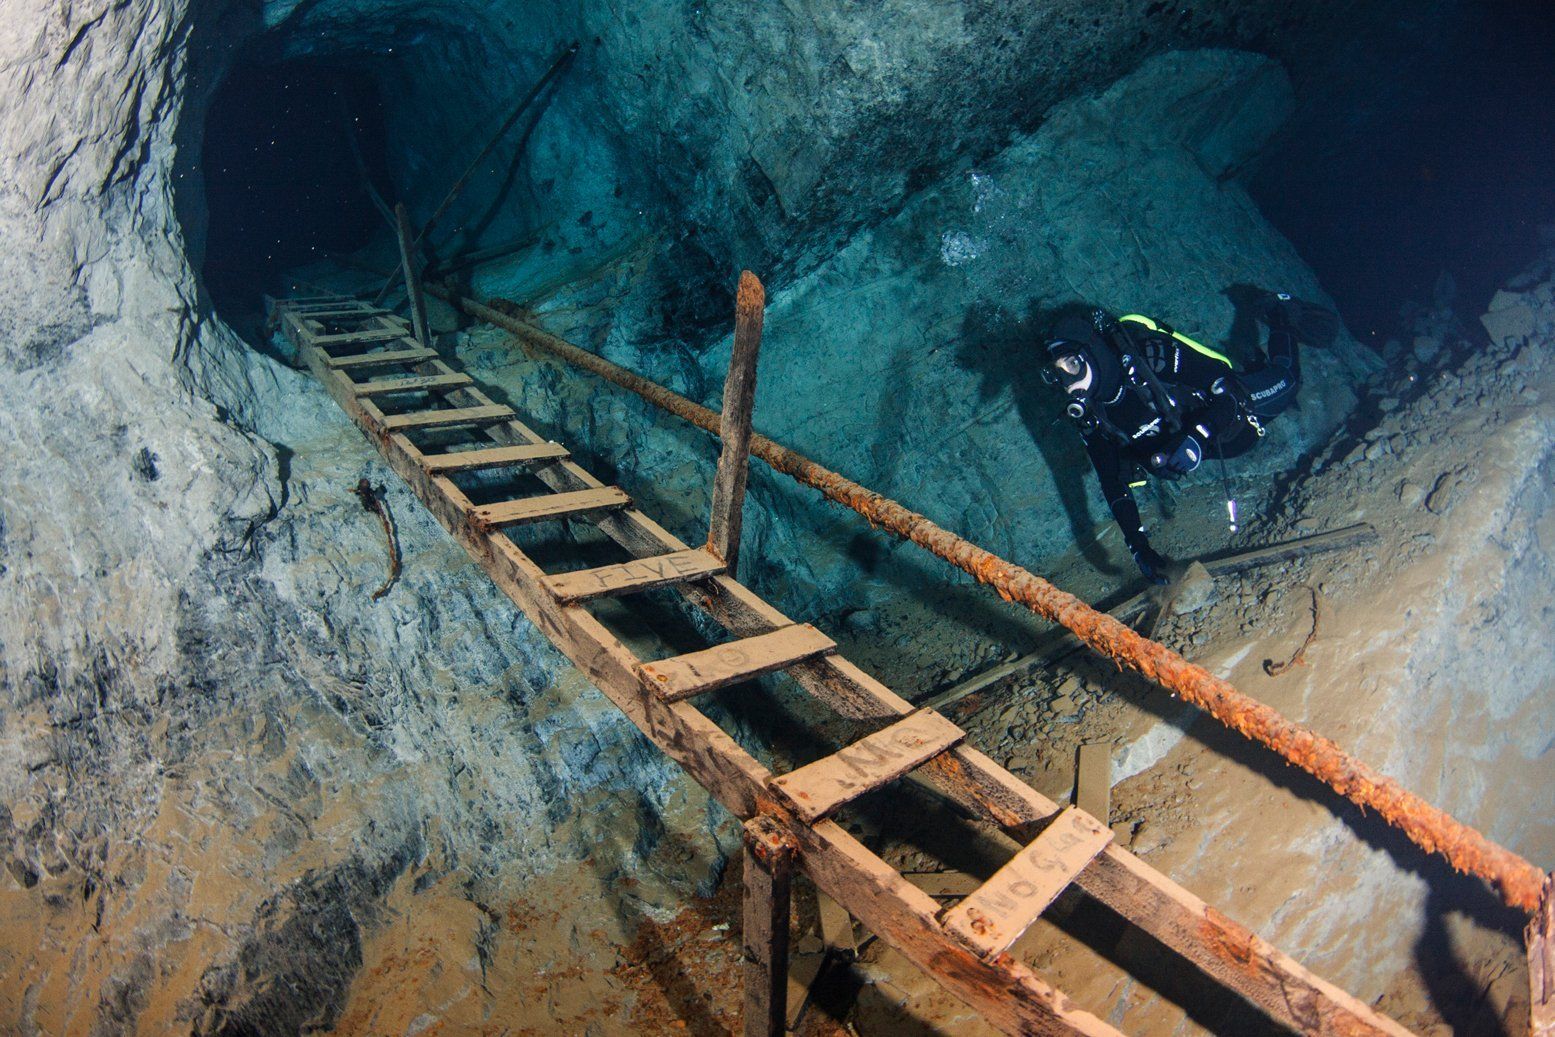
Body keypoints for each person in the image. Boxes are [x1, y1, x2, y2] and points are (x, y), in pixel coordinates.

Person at [1043, 293, 1338, 583]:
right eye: (1059, 374)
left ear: (1093, 353)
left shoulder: (1152, 357)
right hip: (1215, 446)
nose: (1070, 384)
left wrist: (1198, 436)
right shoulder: (1091, 416)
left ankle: (1280, 314)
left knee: (1287, 380)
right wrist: (1139, 547)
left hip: (1242, 414)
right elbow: (1112, 480)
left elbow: (1227, 392)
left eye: (1073, 364)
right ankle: (1255, 359)